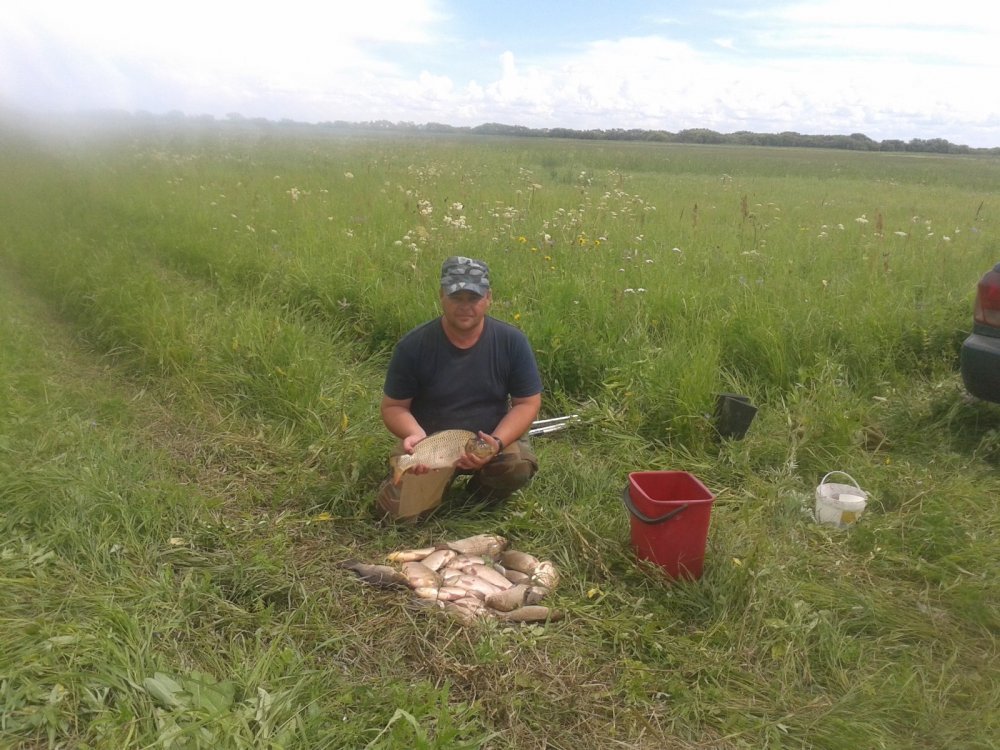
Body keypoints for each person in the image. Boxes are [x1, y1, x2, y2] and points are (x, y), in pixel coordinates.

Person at [376, 256, 542, 521]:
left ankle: (477, 495)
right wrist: (415, 435)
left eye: (473, 298)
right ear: (442, 296)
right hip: (432, 442)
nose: (465, 307)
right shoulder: (413, 346)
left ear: (488, 297)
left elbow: (527, 403)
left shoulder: (512, 342)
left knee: (516, 467)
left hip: (485, 439)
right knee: (397, 517)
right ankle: (428, 484)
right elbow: (394, 407)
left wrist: (497, 443)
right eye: (456, 297)